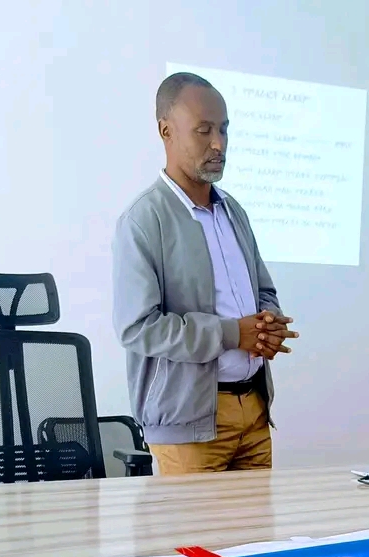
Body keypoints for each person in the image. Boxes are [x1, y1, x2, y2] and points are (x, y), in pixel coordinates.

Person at [112, 72, 298, 474]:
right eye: (204, 130)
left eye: (224, 130)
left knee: (260, 521)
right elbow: (138, 328)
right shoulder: (143, 219)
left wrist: (267, 324)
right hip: (188, 426)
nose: (219, 144)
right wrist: (233, 333)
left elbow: (264, 291)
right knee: (195, 521)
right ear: (166, 131)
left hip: (254, 412)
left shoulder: (234, 211)